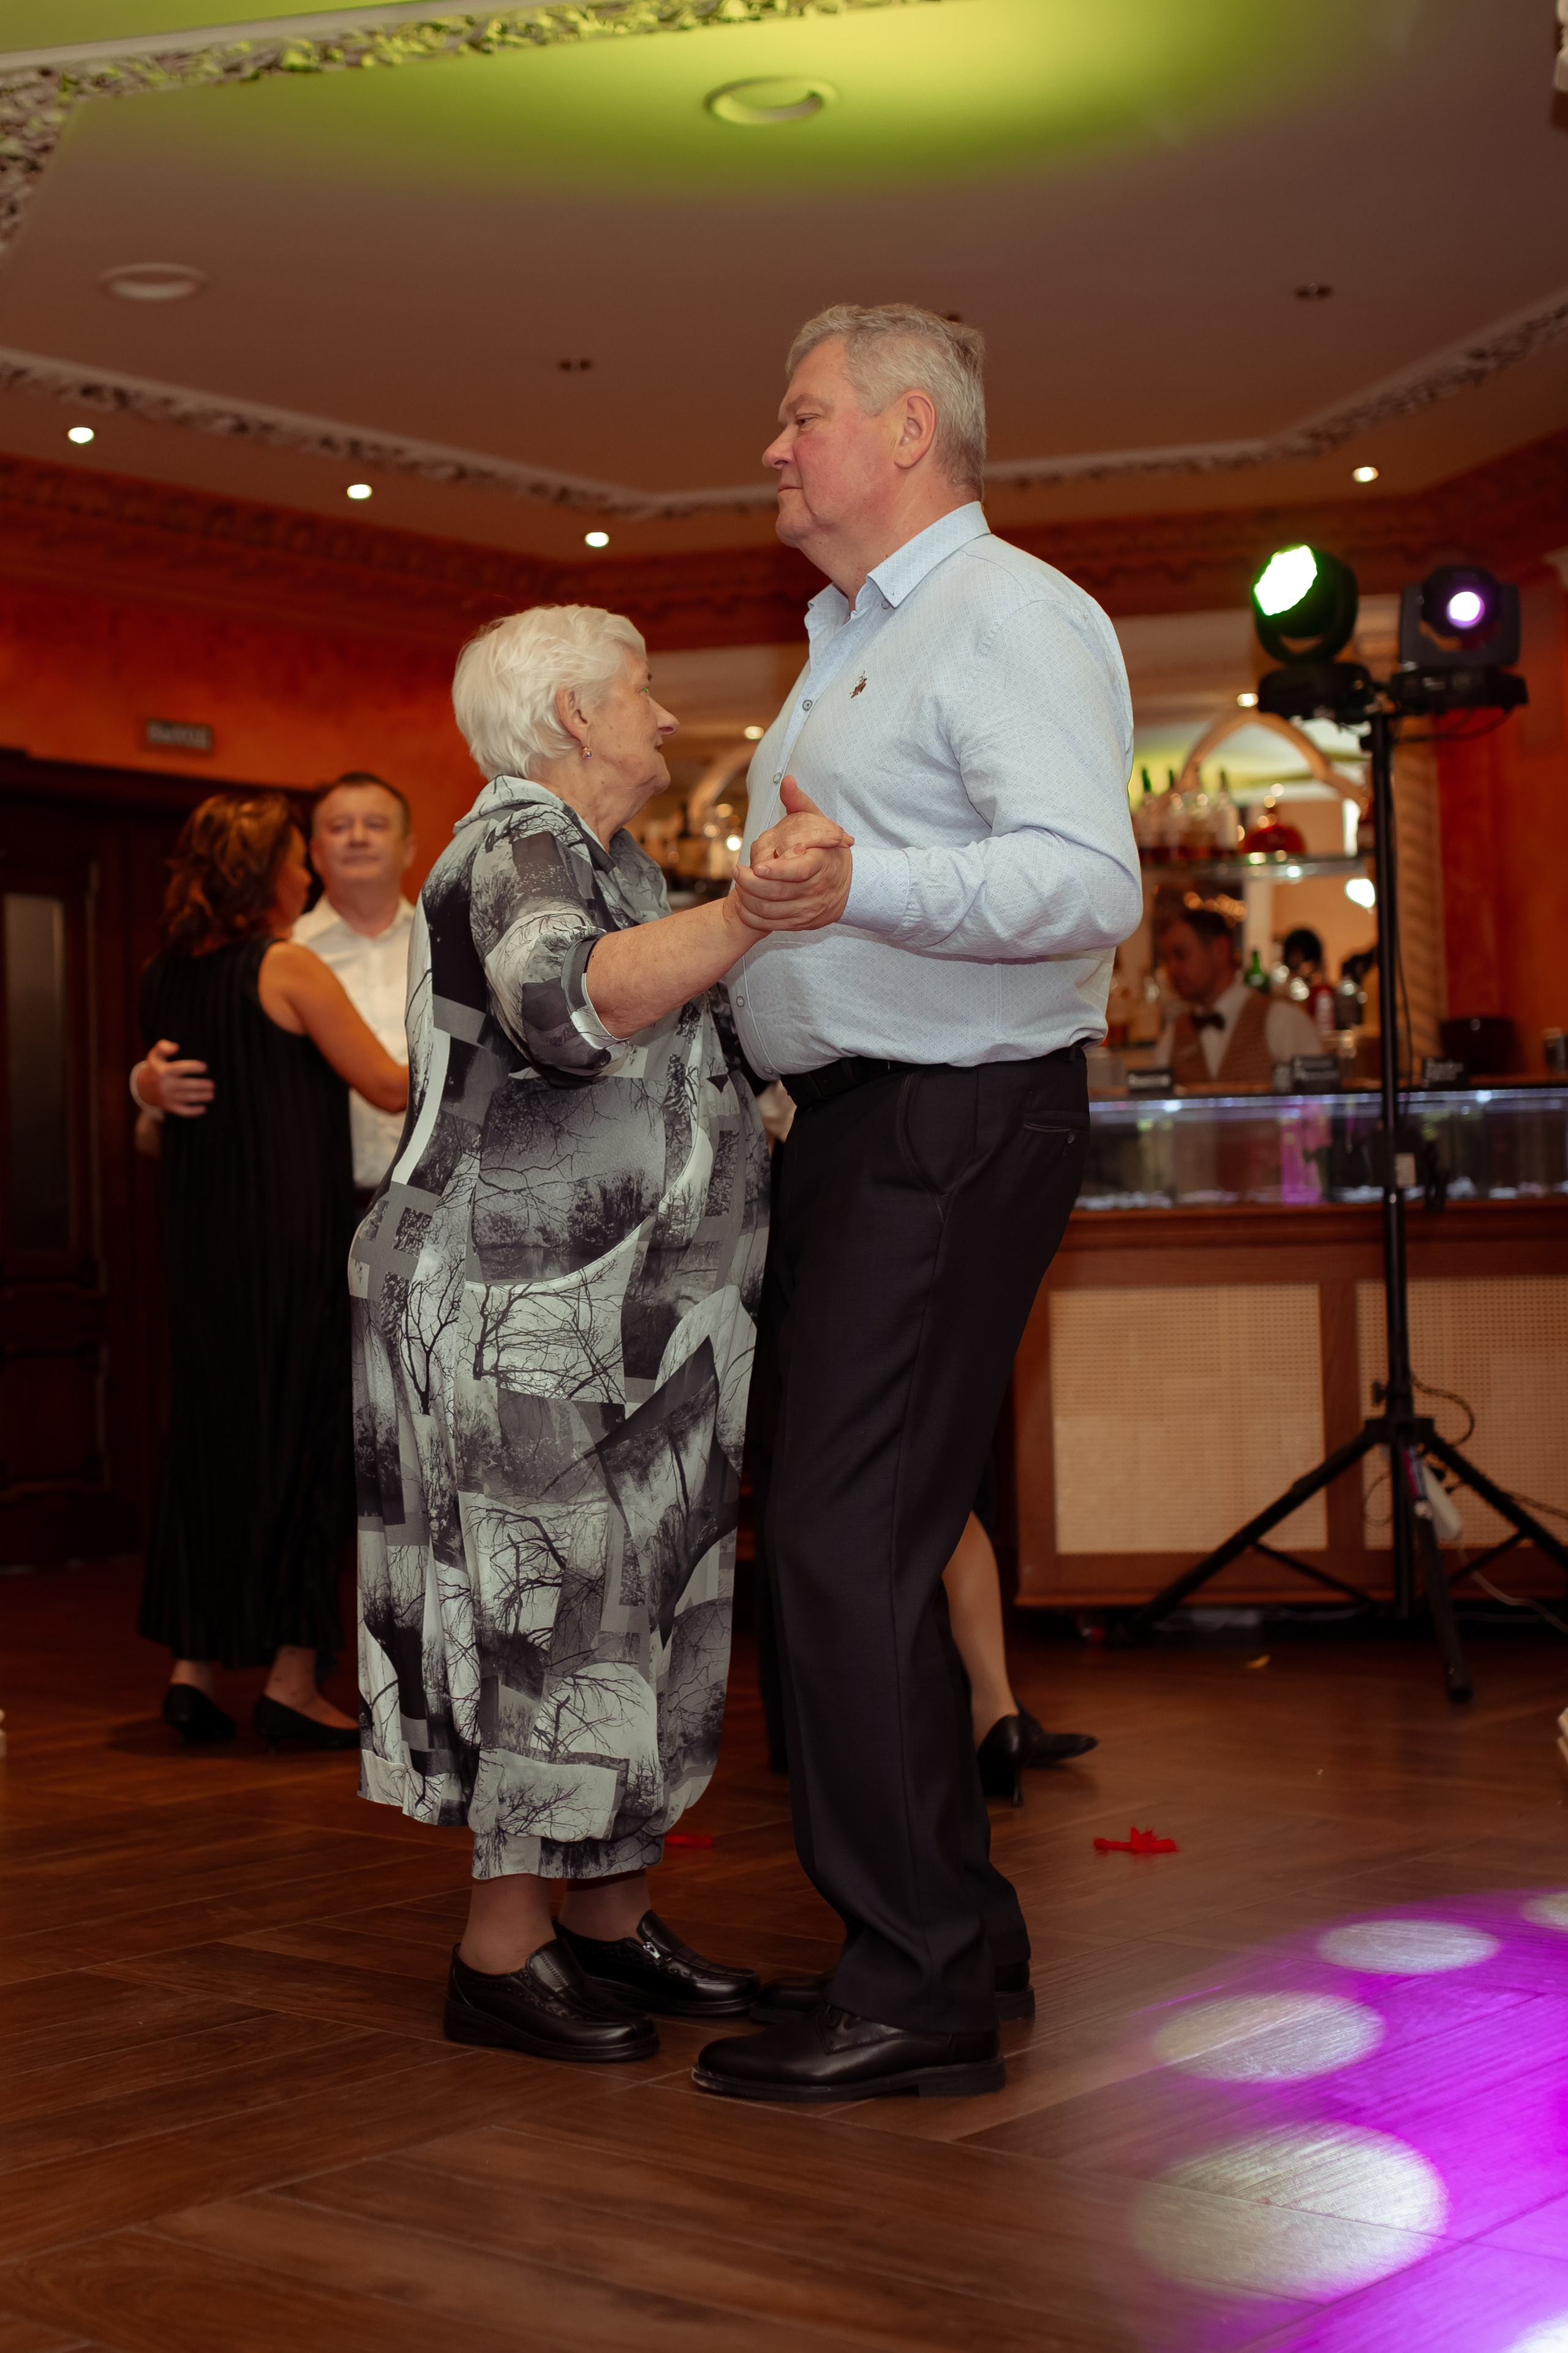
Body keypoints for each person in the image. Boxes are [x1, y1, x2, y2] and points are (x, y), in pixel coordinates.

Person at [690, 303, 1142, 2107]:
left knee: (842, 1544)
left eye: (798, 418)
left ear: (903, 428)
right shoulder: (844, 639)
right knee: (842, 1538)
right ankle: (947, 1927)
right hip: (865, 1133)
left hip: (945, 1125)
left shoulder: (1005, 611)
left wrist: (855, 875)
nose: (774, 450)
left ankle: (920, 1982)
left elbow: (1077, 877)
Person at [352, 605, 827, 2066]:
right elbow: (559, 1007)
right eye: (639, 693)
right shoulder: (516, 841)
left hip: (636, 1317)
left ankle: (611, 1916)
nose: (663, 717)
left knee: (648, 1610)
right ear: (566, 714)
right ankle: (499, 1948)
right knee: (541, 1610)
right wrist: (747, 912)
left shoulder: (612, 858)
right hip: (518, 1318)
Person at [137, 793, 408, 1747]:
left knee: (211, 1441)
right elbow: (387, 1083)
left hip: (200, 1241)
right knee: (305, 1441)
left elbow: (151, 1120)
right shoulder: (286, 964)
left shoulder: (164, 974)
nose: (308, 872)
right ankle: (292, 1680)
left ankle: (193, 1669)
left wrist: (139, 1089)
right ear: (266, 874)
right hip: (290, 1239)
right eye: (297, 857)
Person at [136, 772, 417, 1199]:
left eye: (375, 824)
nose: (358, 837)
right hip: (314, 1202)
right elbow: (167, 1111)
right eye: (340, 827)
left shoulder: (450, 946)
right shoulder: (286, 955)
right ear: (315, 856)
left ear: (409, 848)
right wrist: (145, 1088)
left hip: (437, 1202)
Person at [1155, 905, 1321, 1085]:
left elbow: (1316, 1104)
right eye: (1167, 960)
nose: (1171, 970)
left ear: (1220, 950)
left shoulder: (1282, 1020)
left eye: (1181, 955)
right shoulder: (1171, 1037)